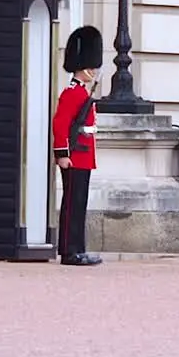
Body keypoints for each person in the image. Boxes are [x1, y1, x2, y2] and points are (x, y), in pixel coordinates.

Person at [52, 25, 104, 267]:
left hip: (83, 156)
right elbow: (60, 124)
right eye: (92, 65)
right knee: (72, 204)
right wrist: (62, 154)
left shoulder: (82, 93)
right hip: (74, 156)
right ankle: (70, 251)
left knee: (78, 204)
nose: (94, 70)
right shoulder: (72, 94)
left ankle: (77, 249)